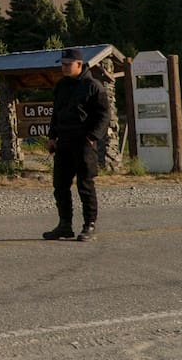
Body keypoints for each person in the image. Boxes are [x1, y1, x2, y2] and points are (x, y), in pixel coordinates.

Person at [44, 47, 111, 242]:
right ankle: (64, 225)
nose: (64, 68)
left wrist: (92, 137)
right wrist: (52, 136)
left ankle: (89, 225)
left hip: (84, 143)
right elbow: (56, 114)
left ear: (79, 64)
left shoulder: (93, 86)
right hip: (63, 142)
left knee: (85, 185)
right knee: (60, 186)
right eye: (62, 64)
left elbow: (104, 115)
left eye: (67, 65)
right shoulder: (61, 86)